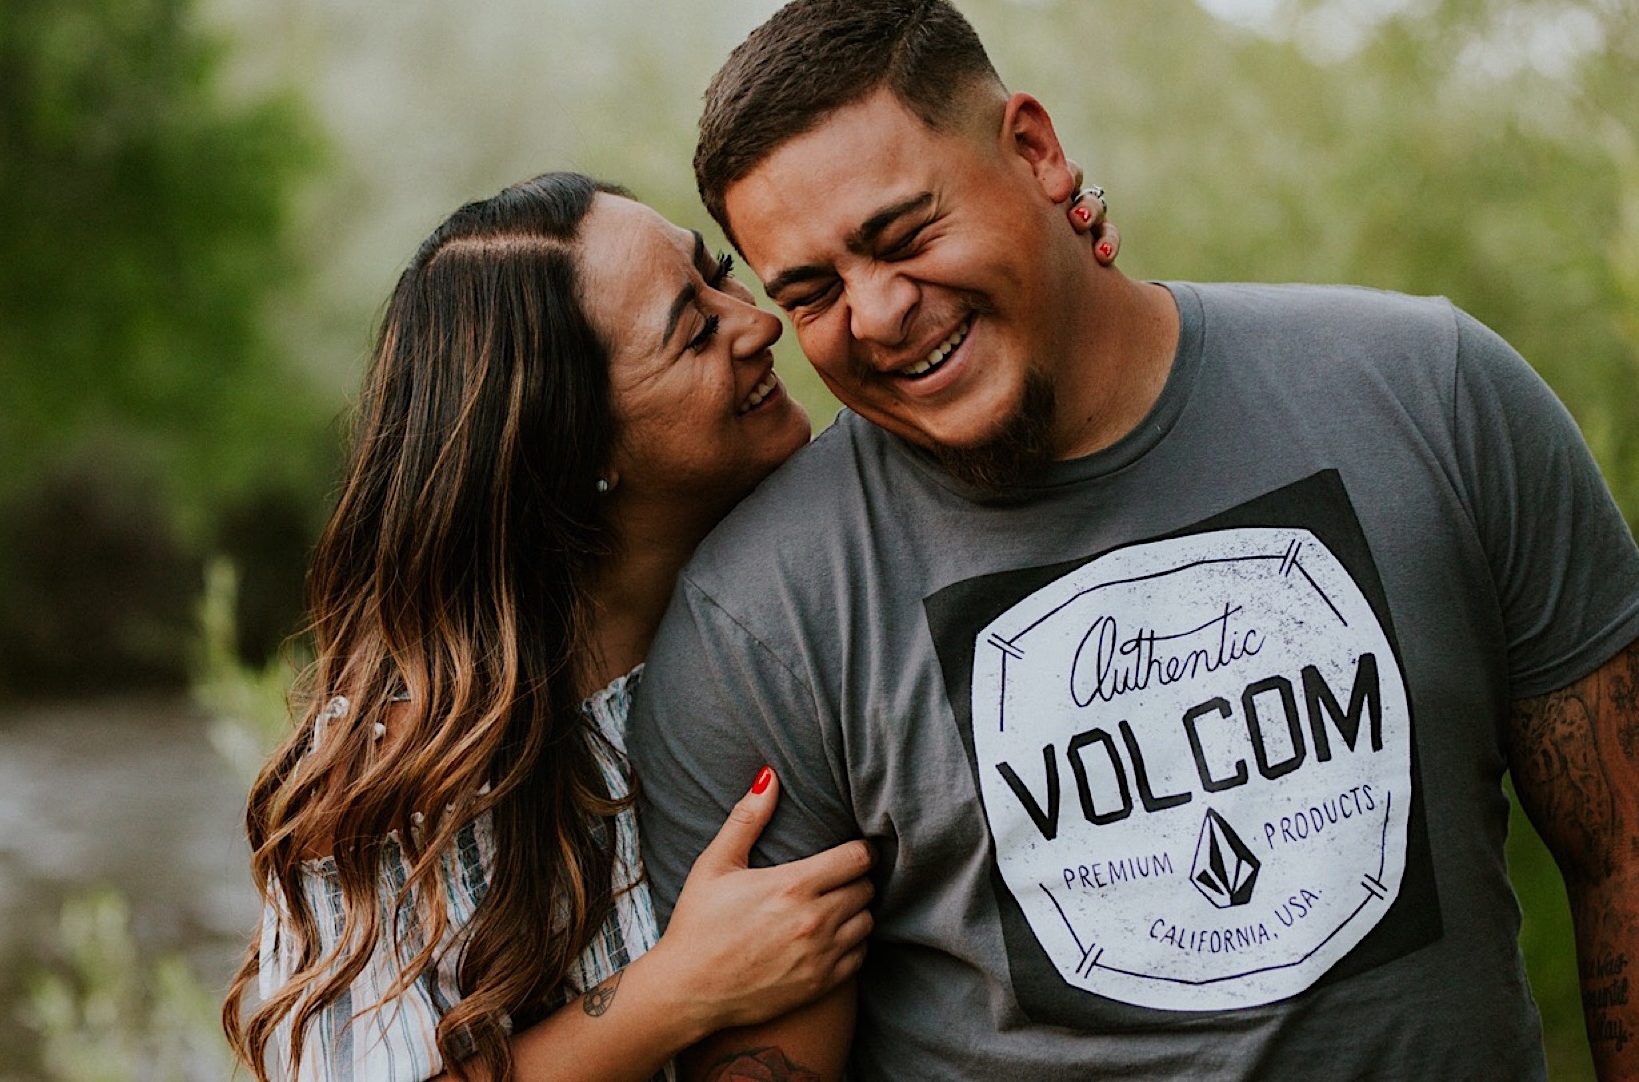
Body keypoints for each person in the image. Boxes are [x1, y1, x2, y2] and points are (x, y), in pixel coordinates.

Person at [627, 0, 1639, 1081]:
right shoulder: (759, 616)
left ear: (1033, 150)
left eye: (901, 234)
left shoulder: (1431, 393)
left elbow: (1629, 850)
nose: (875, 312)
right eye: (813, 292)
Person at [220, 169, 1124, 1081]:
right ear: (572, 445)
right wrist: (681, 987)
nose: (758, 322)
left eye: (718, 274)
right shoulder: (403, 769)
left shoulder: (803, 612)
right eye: (696, 331)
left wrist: (1054, 250)